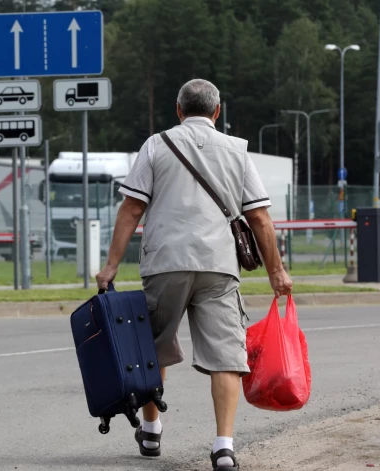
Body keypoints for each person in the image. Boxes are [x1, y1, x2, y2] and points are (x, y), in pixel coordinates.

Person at [95, 79, 293, 471]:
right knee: (225, 357)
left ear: (178, 109)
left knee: (152, 347)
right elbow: (259, 217)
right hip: (218, 266)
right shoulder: (237, 151)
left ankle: (151, 431)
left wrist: (111, 265)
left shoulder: (156, 145)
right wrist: (277, 272)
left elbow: (132, 210)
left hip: (165, 261)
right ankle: (223, 447)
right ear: (218, 112)